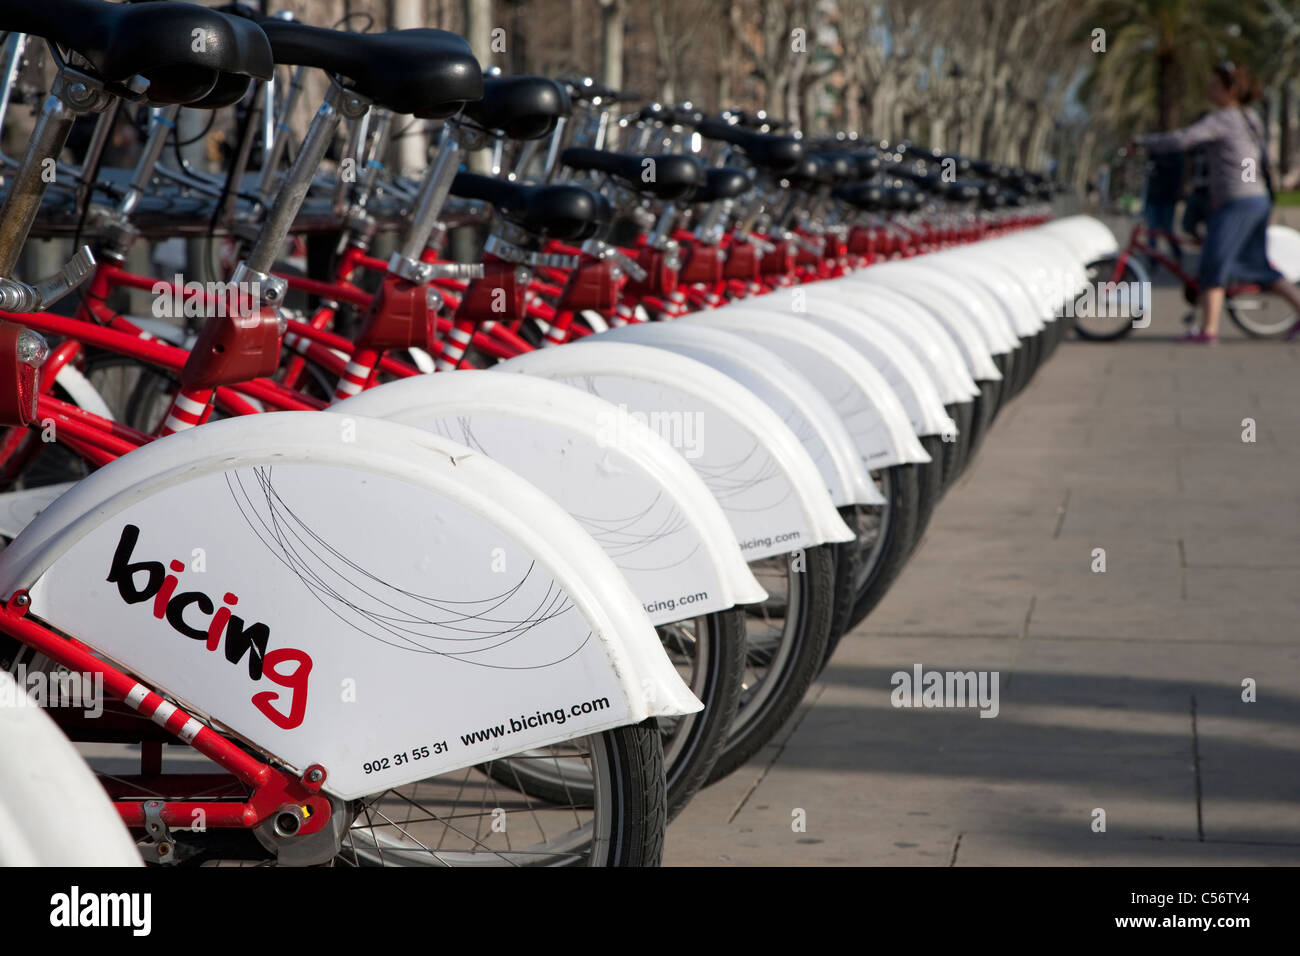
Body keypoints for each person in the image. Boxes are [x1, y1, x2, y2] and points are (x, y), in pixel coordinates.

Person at [1136, 61, 1300, 343]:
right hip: (1255, 199)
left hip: (1238, 202)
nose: (1209, 89)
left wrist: (1143, 142)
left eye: (1214, 85)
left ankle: (1207, 330)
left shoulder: (1224, 119)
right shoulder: (1251, 117)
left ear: (1231, 90)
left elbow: (1183, 139)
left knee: (1214, 261)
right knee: (1259, 267)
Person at [1141, 150, 1184, 269]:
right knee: (1152, 230)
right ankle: (1152, 261)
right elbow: (1148, 173)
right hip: (1153, 198)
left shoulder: (1175, 153)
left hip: (1168, 198)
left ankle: (1177, 253)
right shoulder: (1153, 153)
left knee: (1167, 230)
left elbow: (1178, 175)